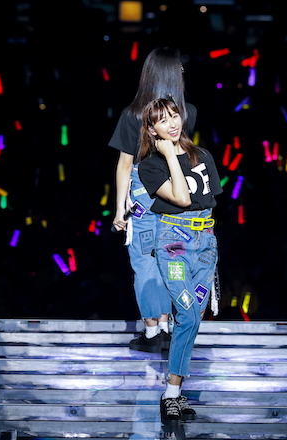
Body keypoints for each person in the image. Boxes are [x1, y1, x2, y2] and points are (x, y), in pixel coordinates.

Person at [138, 98, 222, 425]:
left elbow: (209, 202)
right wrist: (172, 155)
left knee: (193, 318)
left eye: (174, 116)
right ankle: (170, 394)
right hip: (174, 243)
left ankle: (175, 392)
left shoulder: (203, 155)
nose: (172, 123)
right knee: (188, 314)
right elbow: (184, 199)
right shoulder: (150, 166)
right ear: (152, 129)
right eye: (163, 120)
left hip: (205, 244)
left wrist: (210, 249)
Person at [109, 47, 197, 352]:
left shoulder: (133, 114)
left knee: (145, 262)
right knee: (171, 261)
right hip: (174, 192)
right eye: (180, 68)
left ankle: (152, 332)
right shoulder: (186, 113)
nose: (183, 72)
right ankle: (166, 327)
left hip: (143, 195)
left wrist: (119, 208)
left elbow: (125, 164)